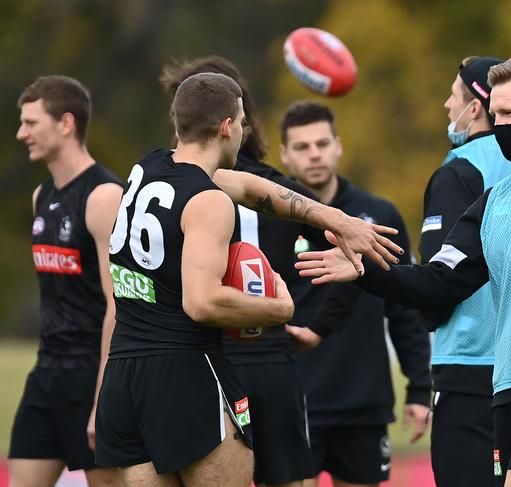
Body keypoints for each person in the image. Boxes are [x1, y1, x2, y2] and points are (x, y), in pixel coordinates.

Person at [296, 55, 511, 487]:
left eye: (510, 114)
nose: (499, 125)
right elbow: (440, 283)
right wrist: (366, 271)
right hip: (507, 383)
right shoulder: (493, 201)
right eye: (496, 113)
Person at [95, 73, 296, 486]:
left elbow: (242, 184)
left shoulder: (147, 168)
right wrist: (279, 309)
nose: (243, 130)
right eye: (241, 121)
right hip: (185, 370)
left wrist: (333, 218)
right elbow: (202, 303)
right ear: (226, 127)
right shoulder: (210, 202)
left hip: (125, 375)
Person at [159, 54, 329, 487]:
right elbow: (335, 255)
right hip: (262, 355)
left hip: (207, 356)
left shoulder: (168, 185)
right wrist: (313, 323)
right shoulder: (282, 188)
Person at [280, 101, 432, 487]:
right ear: (284, 154)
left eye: (321, 143)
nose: (314, 154)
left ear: (338, 146)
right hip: (293, 400)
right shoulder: (270, 218)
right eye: (301, 147)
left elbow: (405, 308)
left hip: (362, 401)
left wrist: (418, 386)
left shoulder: (378, 216)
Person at [10, 76, 122, 487]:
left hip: (92, 374)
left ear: (65, 123)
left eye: (30, 122)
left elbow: (120, 306)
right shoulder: (43, 196)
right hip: (47, 372)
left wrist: (103, 397)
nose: (21, 133)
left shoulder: (104, 197)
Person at [419, 55, 511, 486]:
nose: (445, 104)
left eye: (453, 96)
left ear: (475, 107)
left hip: (470, 361)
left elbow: (440, 280)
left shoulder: (459, 169)